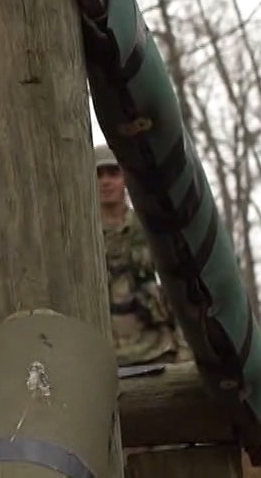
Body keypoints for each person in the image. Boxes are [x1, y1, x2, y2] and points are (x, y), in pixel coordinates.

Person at [94, 145, 183, 366]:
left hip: (155, 348)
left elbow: (181, 287)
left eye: (113, 173)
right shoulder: (80, 235)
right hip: (101, 355)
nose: (105, 181)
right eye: (98, 174)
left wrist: (185, 347)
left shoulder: (150, 229)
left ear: (126, 177)